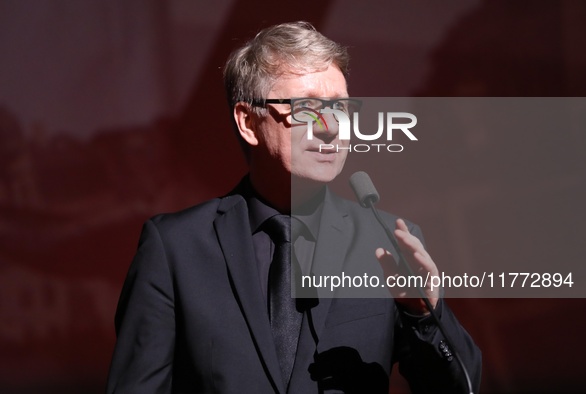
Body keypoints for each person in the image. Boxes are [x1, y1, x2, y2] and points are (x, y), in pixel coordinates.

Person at [106, 21, 481, 393]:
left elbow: (457, 388)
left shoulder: (386, 242)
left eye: (341, 108)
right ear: (248, 121)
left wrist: (424, 316)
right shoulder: (175, 248)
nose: (330, 127)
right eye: (307, 109)